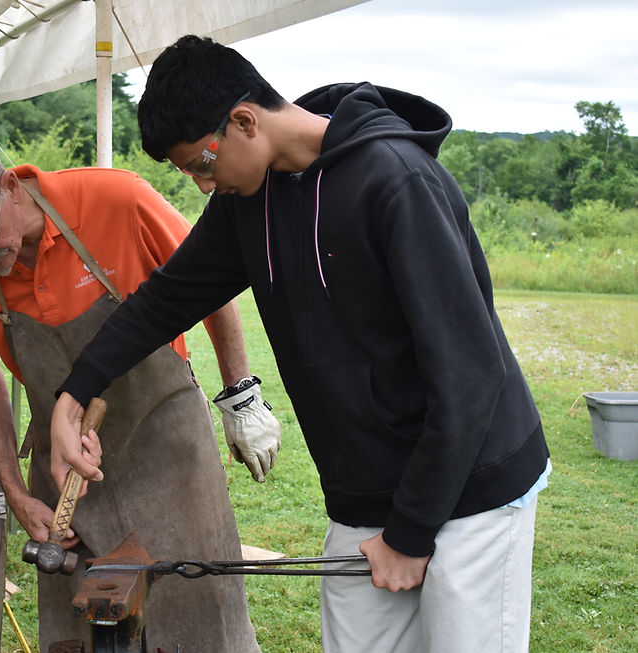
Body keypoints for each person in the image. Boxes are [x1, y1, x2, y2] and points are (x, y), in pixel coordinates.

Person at [50, 35, 551, 653]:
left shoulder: (396, 181)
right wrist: (76, 391)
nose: (202, 186)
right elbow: (167, 298)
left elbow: (470, 373)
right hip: (366, 491)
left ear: (244, 120)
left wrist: (413, 532)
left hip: (474, 485)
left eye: (202, 164)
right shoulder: (250, 197)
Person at [0, 134, 279, 653]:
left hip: (167, 440)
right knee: (83, 627)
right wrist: (16, 493)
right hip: (63, 460)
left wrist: (240, 393)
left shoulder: (116, 200)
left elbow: (209, 286)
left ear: (9, 186)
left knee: (199, 609)